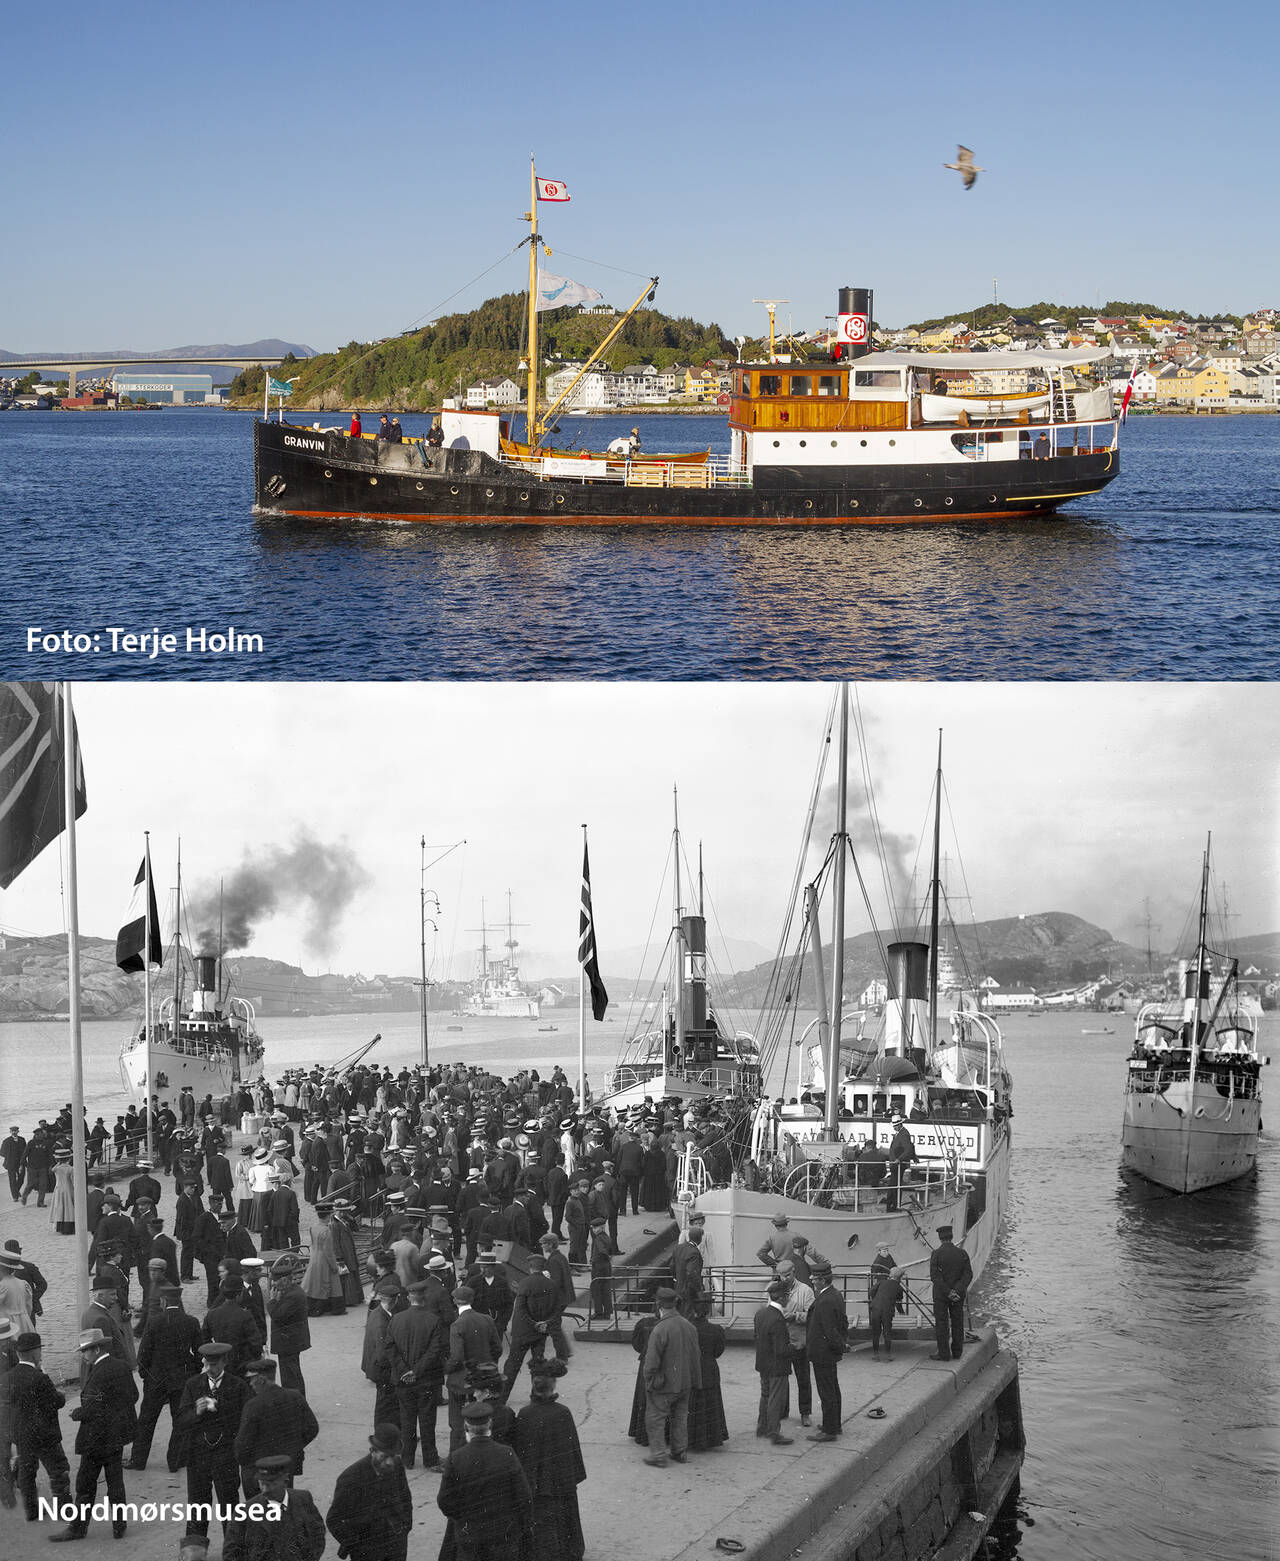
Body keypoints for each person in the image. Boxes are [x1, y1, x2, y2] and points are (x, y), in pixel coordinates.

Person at [48, 1328, 139, 1541]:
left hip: (96, 1438)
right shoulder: (121, 1366)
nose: (83, 1355)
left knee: (85, 1484)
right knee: (115, 1482)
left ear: (96, 1349)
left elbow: (94, 1405)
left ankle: (78, 1528)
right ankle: (119, 1526)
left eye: (85, 1351)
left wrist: (78, 1413)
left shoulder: (99, 1373)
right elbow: (133, 1396)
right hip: (117, 1436)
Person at [436, 1401, 532, 1561]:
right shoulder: (507, 1454)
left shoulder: (457, 1457)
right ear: (490, 1425)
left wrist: (462, 1519)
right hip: (502, 1534)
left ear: (466, 1427)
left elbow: (444, 1500)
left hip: (470, 1534)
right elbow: (524, 1495)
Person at [176, 1341, 251, 1538]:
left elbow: (246, 1420)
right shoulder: (193, 1385)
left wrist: (220, 1407)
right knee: (198, 1505)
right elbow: (181, 1421)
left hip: (226, 1454)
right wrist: (196, 1412)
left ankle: (233, 1551)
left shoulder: (238, 1386)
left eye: (215, 1365)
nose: (210, 1369)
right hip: (198, 1454)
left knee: (229, 1504)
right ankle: (195, 1551)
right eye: (207, 1364)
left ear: (225, 1362)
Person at [514, 1358, 585, 1561]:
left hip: (536, 1482)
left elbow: (521, 1450)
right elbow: (573, 1450)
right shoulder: (563, 1413)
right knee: (565, 1515)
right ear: (553, 1385)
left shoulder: (525, 1414)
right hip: (561, 1479)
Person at [129, 1284, 201, 1470]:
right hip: (181, 1379)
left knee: (146, 1420)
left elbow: (144, 1353)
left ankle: (138, 1461)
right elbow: (200, 1352)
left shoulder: (154, 1321)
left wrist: (146, 1376)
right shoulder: (191, 1322)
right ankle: (175, 1461)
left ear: (163, 1301)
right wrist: (193, 1372)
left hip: (156, 1379)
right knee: (180, 1420)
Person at [8, 1330, 72, 1521]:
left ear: (19, 1353)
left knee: (27, 1473)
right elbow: (56, 1401)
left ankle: (32, 1511)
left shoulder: (8, 1377)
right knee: (58, 1470)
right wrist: (61, 1394)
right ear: (35, 1352)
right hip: (45, 1434)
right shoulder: (40, 1377)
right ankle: (65, 1510)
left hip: (22, 1433)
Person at [383, 1279, 447, 1469]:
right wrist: (416, 1371)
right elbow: (435, 1350)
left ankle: (407, 1458)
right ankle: (430, 1458)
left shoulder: (396, 1319)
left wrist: (404, 1371)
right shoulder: (433, 1320)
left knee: (407, 1419)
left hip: (403, 1381)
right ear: (424, 1297)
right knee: (427, 1420)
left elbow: (389, 1347)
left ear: (409, 1298)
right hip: (427, 1380)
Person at [327, 1424, 413, 1561]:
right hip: (368, 1550)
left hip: (396, 1544)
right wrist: (356, 1545)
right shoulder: (351, 1478)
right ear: (373, 1450)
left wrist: (405, 1526)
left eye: (393, 1456)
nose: (390, 1462)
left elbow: (405, 1499)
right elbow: (334, 1519)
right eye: (384, 1456)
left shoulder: (397, 1466)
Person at [235, 1357, 319, 1496]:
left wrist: (246, 1463)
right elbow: (312, 1428)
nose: (250, 1383)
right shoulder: (295, 1396)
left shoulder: (253, 1405)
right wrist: (293, 1448)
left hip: (259, 1471)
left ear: (261, 1379)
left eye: (252, 1379)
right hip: (285, 1467)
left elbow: (242, 1444)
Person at [223, 1453, 326, 1561]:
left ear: (285, 1481)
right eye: (262, 1483)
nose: (265, 1489)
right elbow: (230, 1552)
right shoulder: (245, 1511)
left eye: (271, 1483)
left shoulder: (303, 1499)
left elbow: (317, 1534)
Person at [641, 1286, 700, 1467]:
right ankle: (680, 1452)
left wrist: (649, 1380)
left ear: (658, 1304)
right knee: (680, 1417)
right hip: (685, 1383)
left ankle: (658, 1455)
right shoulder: (689, 1326)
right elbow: (696, 1355)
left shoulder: (660, 1329)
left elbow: (651, 1362)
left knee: (655, 1418)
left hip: (664, 1385)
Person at [443, 1285, 503, 1453]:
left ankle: (456, 1454)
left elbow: (456, 1358)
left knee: (457, 1422)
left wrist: (445, 1369)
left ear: (455, 1301)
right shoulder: (487, 1319)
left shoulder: (457, 1325)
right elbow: (497, 1349)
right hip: (484, 1378)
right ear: (472, 1300)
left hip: (462, 1382)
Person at [805, 1259, 848, 1441]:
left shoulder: (824, 1301)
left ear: (822, 1280)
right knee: (833, 1388)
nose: (812, 1280)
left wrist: (839, 1346)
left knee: (826, 1392)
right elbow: (843, 1323)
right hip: (829, 1352)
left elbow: (829, 1330)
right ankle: (834, 1424)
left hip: (823, 1353)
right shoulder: (835, 1294)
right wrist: (842, 1344)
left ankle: (829, 1431)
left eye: (814, 1278)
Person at [774, 1258, 815, 1427]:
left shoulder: (805, 1290)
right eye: (782, 1276)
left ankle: (805, 1413)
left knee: (803, 1378)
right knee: (781, 1379)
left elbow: (812, 1316)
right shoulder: (774, 1290)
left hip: (800, 1342)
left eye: (788, 1275)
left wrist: (795, 1316)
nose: (785, 1279)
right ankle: (783, 1411)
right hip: (782, 1342)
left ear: (794, 1273)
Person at [753, 1280, 793, 1446]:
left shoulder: (761, 1314)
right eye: (788, 1296)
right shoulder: (778, 1319)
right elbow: (781, 1350)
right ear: (782, 1298)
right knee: (776, 1398)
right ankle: (774, 1432)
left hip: (763, 1363)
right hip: (777, 1365)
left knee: (765, 1395)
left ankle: (761, 1427)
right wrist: (794, 1348)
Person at [687, 1300, 728, 1451]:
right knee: (710, 1402)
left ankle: (691, 1437)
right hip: (709, 1367)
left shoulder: (688, 1328)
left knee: (692, 1402)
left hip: (691, 1368)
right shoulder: (716, 1330)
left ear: (694, 1312)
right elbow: (718, 1351)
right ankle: (711, 1438)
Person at [267, 1260, 312, 1396]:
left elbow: (277, 1316)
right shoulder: (288, 1291)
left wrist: (272, 1301)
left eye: (276, 1281)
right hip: (289, 1341)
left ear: (285, 1280)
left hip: (289, 1341)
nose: (273, 1284)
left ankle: (296, 1402)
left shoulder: (293, 1296)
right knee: (291, 1373)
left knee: (290, 1376)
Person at [929, 1226, 972, 1361]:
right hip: (958, 1296)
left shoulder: (936, 1254)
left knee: (942, 1324)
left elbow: (934, 1277)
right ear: (951, 1236)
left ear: (940, 1238)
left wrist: (948, 1292)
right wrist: (956, 1290)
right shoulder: (962, 1253)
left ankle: (944, 1354)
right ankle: (957, 1352)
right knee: (957, 1322)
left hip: (941, 1295)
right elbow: (968, 1274)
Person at [869, 1265, 906, 1360]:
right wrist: (902, 1312)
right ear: (900, 1278)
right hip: (887, 1310)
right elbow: (898, 1303)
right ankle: (887, 1355)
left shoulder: (882, 1282)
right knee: (887, 1332)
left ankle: (875, 1354)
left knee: (876, 1332)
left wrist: (876, 1300)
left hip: (876, 1308)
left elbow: (871, 1291)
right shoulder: (899, 1288)